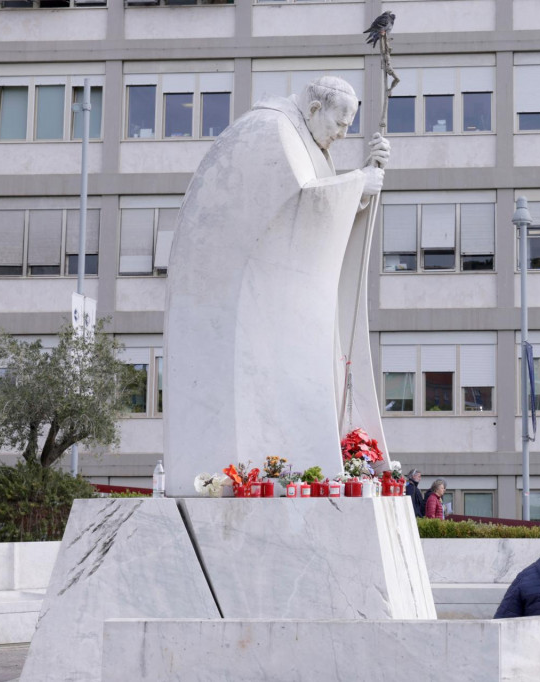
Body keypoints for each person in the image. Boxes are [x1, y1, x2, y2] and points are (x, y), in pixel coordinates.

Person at [164, 76, 390, 494]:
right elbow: (296, 206)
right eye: (339, 125)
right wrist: (358, 182)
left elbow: (312, 209)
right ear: (315, 108)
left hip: (271, 307)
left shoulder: (307, 140)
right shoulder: (269, 131)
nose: (342, 135)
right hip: (235, 311)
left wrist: (363, 184)